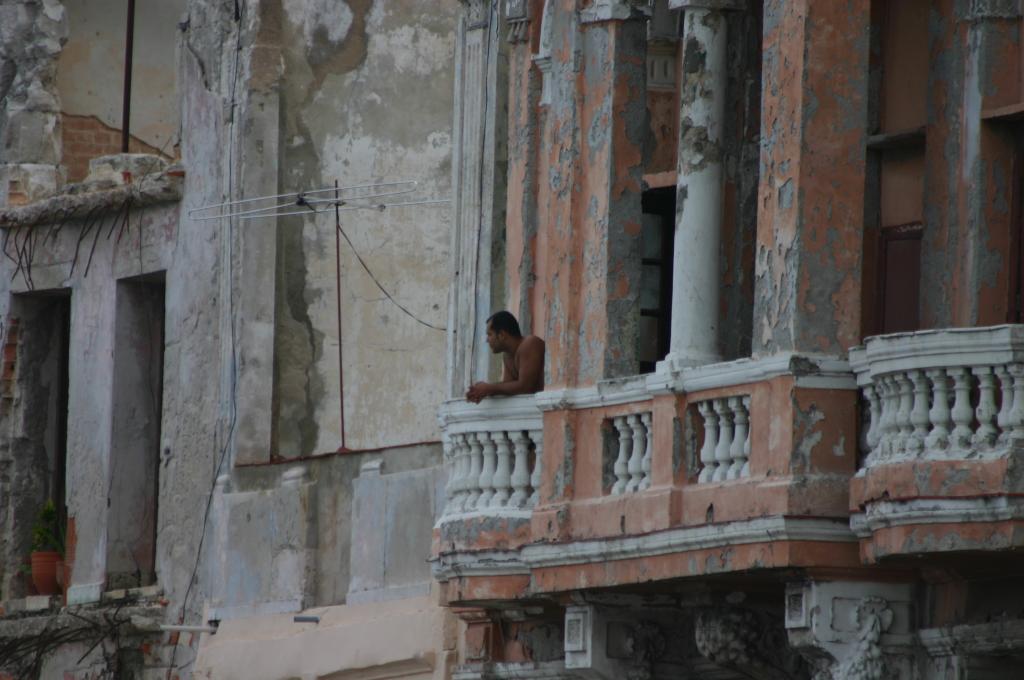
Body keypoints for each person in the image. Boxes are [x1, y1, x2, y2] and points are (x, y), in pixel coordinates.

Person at [465, 311, 545, 403]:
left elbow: (525, 387)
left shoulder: (530, 344)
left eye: (490, 334)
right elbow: (508, 387)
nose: (487, 340)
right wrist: (481, 391)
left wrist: (489, 388)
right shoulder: (507, 355)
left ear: (502, 335)